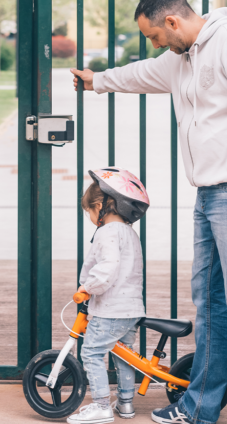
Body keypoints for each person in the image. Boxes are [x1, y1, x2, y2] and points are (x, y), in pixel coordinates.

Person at [72, 0, 227, 424]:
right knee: (208, 302)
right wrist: (98, 82)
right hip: (209, 193)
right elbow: (141, 74)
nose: (154, 45)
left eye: (154, 36)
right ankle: (199, 407)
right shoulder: (181, 58)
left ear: (172, 22)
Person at [68, 168, 150, 424]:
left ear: (100, 206)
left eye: (89, 211)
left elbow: (107, 269)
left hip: (111, 309)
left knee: (91, 352)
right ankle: (125, 403)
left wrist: (87, 288)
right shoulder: (130, 233)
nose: (90, 217)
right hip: (131, 308)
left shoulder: (106, 232)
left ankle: (102, 405)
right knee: (123, 353)